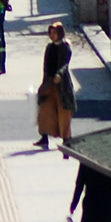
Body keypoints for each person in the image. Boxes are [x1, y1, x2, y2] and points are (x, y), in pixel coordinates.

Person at [37, 20, 76, 148]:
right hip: (49, 83)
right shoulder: (49, 47)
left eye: (55, 32)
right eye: (51, 32)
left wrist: (59, 75)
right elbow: (46, 66)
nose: (52, 35)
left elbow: (64, 64)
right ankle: (44, 137)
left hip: (62, 85)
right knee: (45, 110)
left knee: (63, 112)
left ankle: (66, 139)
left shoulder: (65, 47)